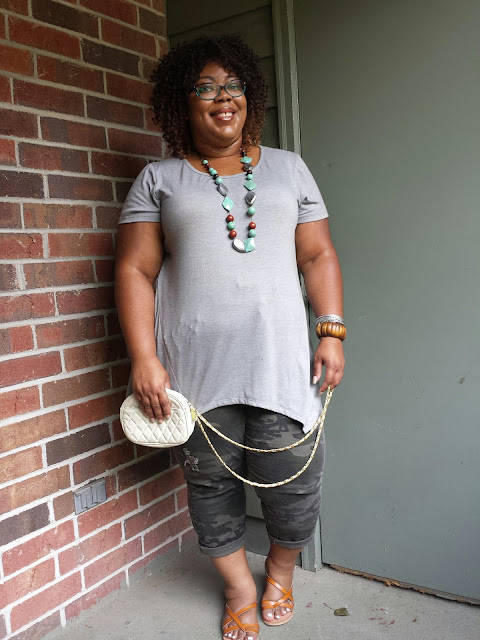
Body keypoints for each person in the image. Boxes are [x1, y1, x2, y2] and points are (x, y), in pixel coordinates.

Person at [115, 35, 345, 640]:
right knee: (210, 485)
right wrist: (143, 357)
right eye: (207, 87)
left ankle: (280, 573)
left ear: (251, 95)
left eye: (234, 85)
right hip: (196, 370)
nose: (224, 97)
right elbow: (135, 270)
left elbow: (317, 254)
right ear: (182, 103)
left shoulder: (289, 169)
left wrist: (331, 330)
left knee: (295, 482)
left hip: (281, 365)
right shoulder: (158, 179)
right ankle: (240, 588)